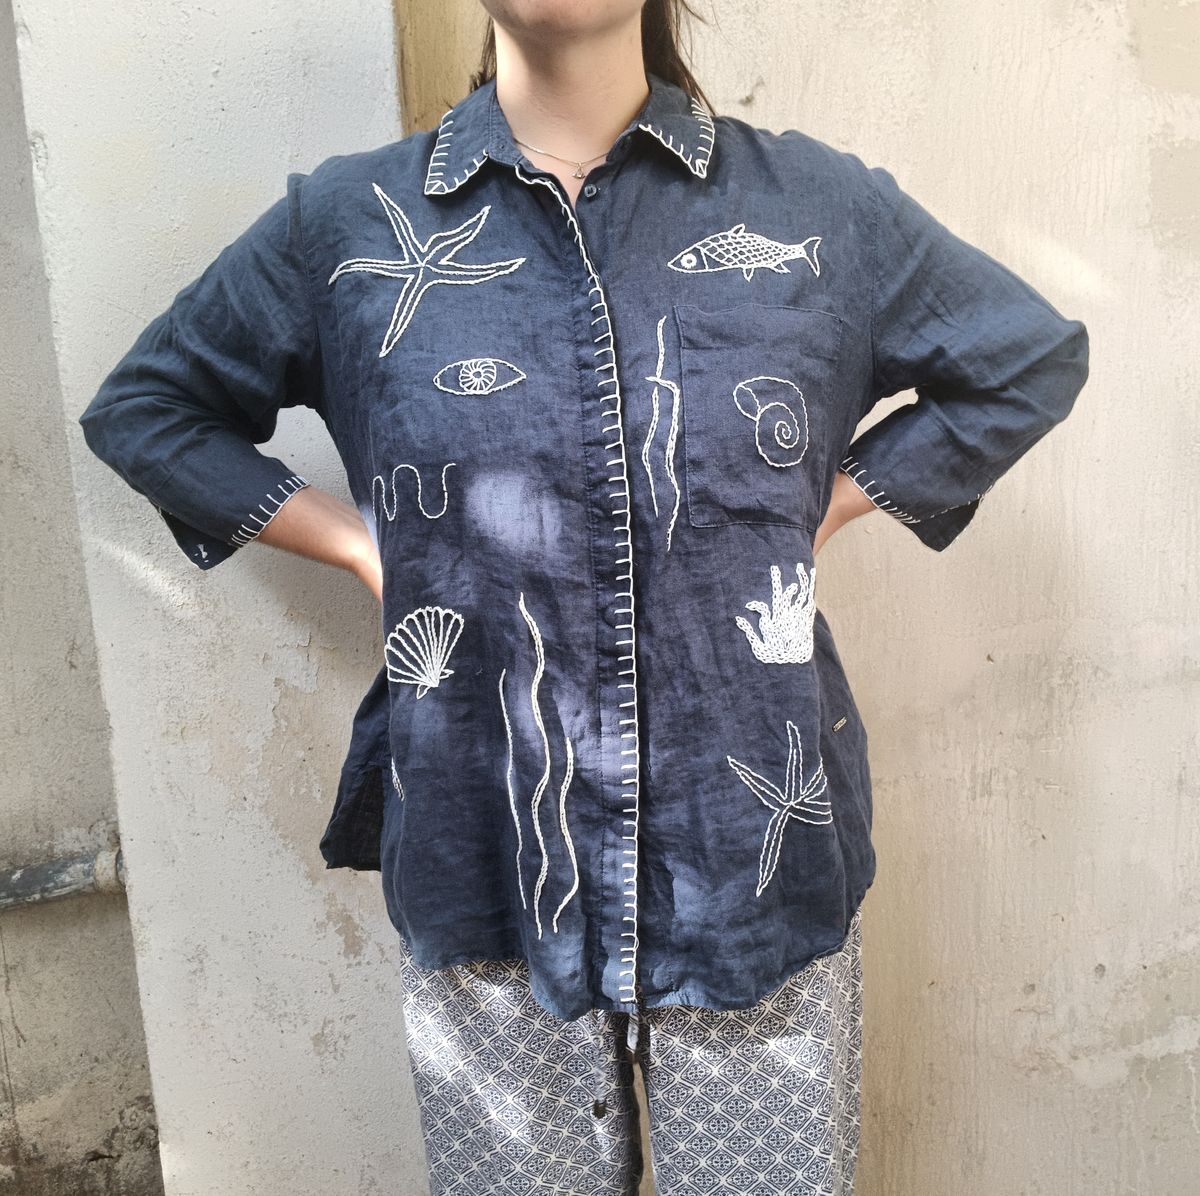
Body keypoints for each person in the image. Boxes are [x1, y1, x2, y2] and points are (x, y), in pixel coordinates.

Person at [76, 1, 1090, 1192]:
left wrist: (823, 504)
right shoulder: (345, 225)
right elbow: (148, 410)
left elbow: (1023, 359)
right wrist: (365, 547)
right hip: (487, 843)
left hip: (749, 860)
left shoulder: (816, 209)